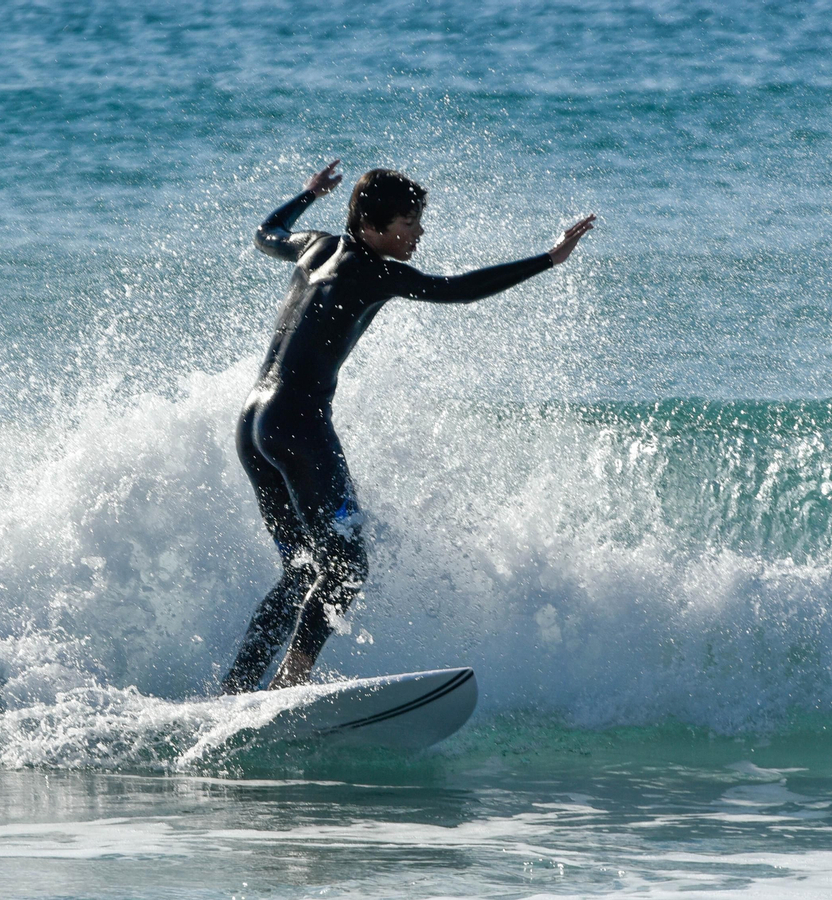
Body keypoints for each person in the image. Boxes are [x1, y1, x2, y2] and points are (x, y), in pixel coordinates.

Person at [221, 161, 595, 694]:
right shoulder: (375, 270)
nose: (418, 234)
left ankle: (235, 688)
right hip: (299, 426)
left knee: (304, 571)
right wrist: (549, 259)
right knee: (346, 567)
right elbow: (459, 291)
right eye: (408, 224)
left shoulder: (315, 247)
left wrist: (306, 195)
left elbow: (265, 235)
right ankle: (291, 678)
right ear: (373, 226)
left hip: (255, 423)